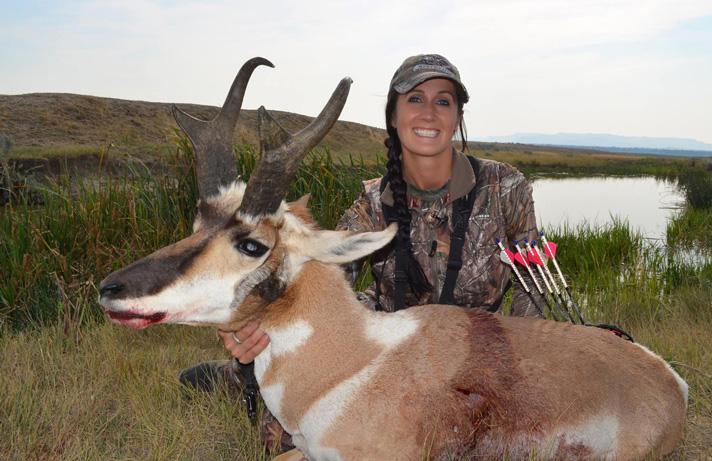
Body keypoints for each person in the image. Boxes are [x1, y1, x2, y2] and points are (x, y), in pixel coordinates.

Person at [179, 53, 544, 451]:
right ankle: (242, 375)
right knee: (284, 437)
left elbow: (534, 285)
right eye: (415, 99)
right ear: (393, 116)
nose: (429, 113)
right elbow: (316, 280)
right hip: (388, 352)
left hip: (475, 355)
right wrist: (247, 326)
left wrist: (521, 362)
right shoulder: (372, 201)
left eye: (443, 101)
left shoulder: (505, 187)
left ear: (457, 117)